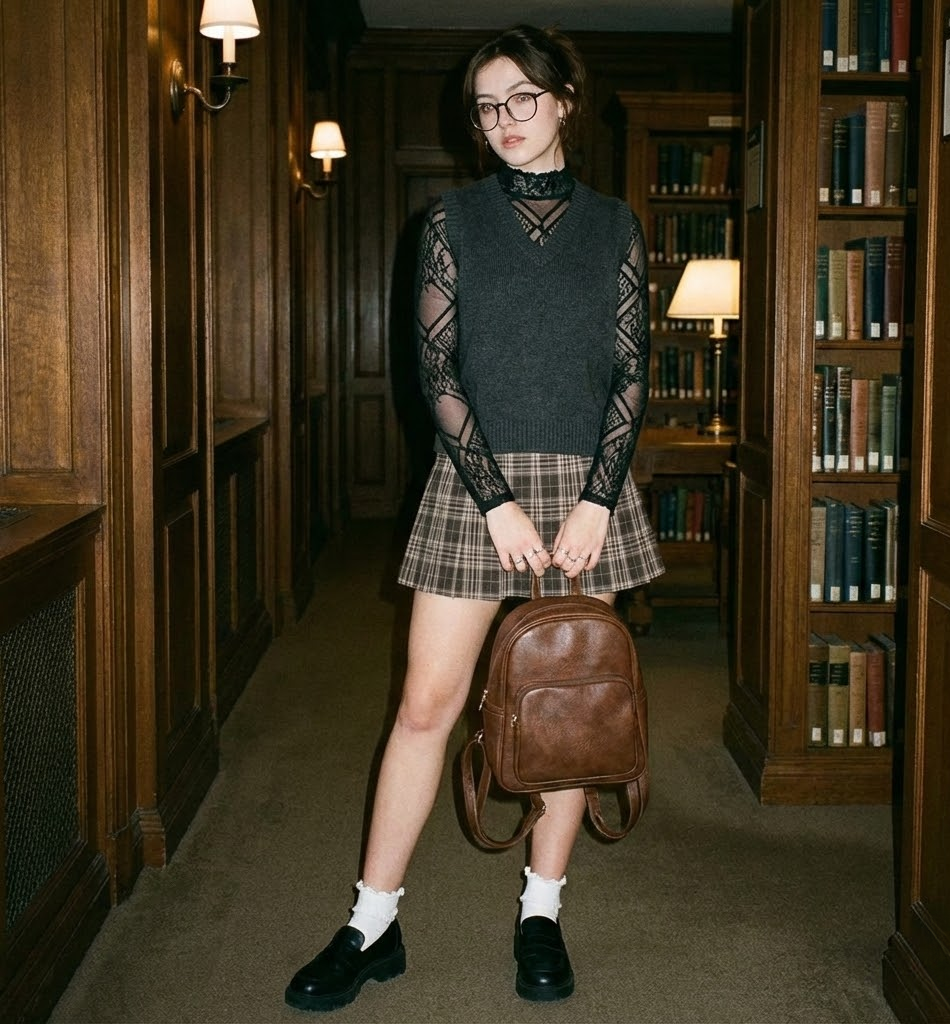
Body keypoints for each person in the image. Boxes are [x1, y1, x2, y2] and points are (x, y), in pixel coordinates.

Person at [284, 23, 664, 1013]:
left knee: (568, 710)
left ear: (564, 101)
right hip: (472, 483)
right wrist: (494, 497)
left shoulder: (616, 226)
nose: (502, 121)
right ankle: (371, 921)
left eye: (521, 100)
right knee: (424, 705)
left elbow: (631, 374)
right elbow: (435, 372)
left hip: (589, 489)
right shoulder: (449, 221)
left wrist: (593, 496)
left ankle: (541, 909)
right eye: (487, 106)